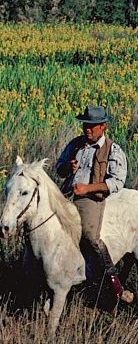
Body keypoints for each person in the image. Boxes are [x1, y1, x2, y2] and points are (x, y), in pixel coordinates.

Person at [55, 104, 131, 307]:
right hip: (67, 195)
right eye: (85, 125)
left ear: (103, 126)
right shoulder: (75, 145)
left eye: (92, 126)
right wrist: (67, 167)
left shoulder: (113, 150)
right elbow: (58, 168)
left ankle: (112, 283)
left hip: (90, 199)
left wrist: (87, 189)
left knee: (90, 236)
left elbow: (116, 182)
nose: (87, 129)